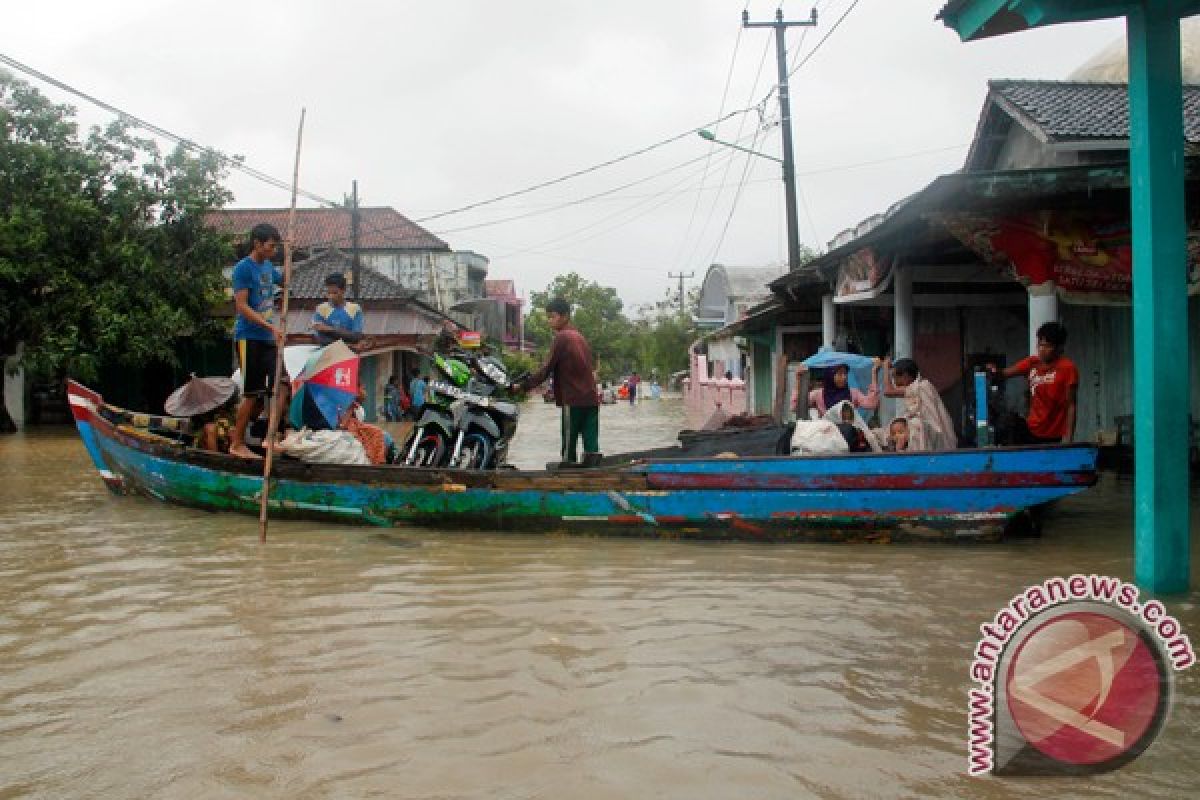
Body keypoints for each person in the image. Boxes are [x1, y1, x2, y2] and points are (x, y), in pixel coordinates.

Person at [514, 297, 601, 467]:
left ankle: (569, 485)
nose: (549, 321)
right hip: (591, 399)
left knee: (568, 450)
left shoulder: (562, 337)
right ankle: (593, 480)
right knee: (592, 449)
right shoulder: (580, 337)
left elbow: (546, 369)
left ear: (565, 316)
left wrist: (523, 386)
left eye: (552, 316)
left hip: (574, 400)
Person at [229, 223, 285, 459]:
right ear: (257, 244)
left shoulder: (268, 266)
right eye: (271, 246)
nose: (274, 251)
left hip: (267, 338)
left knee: (282, 383)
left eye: (276, 247)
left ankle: (271, 435)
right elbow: (241, 306)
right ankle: (236, 443)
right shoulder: (243, 269)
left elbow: (284, 280)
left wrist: (290, 253)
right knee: (252, 393)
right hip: (248, 337)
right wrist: (269, 325)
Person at [991, 321, 1079, 444]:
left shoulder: (1067, 368)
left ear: (1059, 348)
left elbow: (1071, 406)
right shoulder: (1032, 363)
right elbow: (1004, 374)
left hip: (1053, 433)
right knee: (1007, 423)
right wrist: (993, 371)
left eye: (1047, 346)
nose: (1042, 350)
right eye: (1040, 345)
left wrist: (1069, 438)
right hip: (1031, 428)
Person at [882, 357, 958, 451]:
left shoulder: (921, 386)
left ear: (905, 375)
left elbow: (888, 391)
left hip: (932, 433)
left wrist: (885, 368)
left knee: (915, 425)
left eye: (894, 377)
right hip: (924, 431)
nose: (894, 381)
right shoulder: (916, 388)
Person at [800, 360, 882, 416]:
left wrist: (874, 373)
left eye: (845, 373)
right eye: (839, 374)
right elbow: (796, 406)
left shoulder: (853, 393)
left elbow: (872, 404)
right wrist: (798, 380)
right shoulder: (818, 394)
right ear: (830, 376)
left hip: (848, 436)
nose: (844, 377)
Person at [311, 273, 364, 347]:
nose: (331, 296)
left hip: (349, 355)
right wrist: (347, 339)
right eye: (329, 293)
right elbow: (320, 338)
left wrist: (330, 329)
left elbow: (356, 337)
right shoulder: (321, 309)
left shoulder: (355, 309)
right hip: (327, 354)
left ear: (343, 290)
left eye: (335, 293)